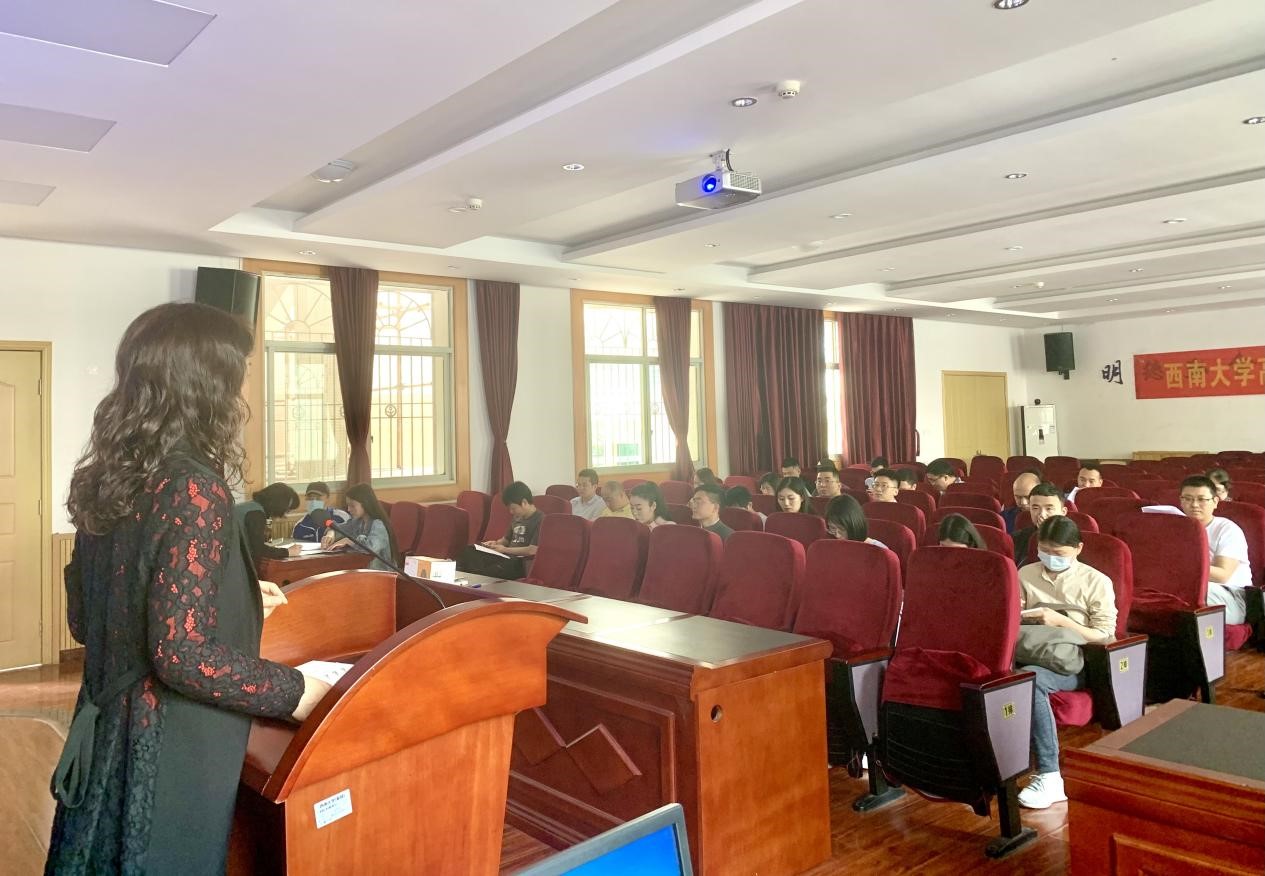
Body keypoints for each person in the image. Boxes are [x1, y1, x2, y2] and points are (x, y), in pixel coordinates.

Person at [48, 302, 329, 874]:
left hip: (109, 725)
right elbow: (181, 654)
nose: (242, 391)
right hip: (167, 741)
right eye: (238, 374)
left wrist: (234, 593)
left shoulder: (107, 477)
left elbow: (91, 617)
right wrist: (301, 692)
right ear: (206, 384)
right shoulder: (193, 489)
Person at [1016, 516, 1117, 810]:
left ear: (1078, 549)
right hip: (1030, 650)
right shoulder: (1026, 574)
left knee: (1030, 679)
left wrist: (1061, 621)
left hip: (1075, 663)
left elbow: (1105, 634)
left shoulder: (1096, 581)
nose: (1050, 558)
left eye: (1058, 553)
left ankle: (1050, 775)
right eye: (1044, 551)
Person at [1179, 475, 1252, 624]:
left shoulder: (1227, 529)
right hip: (1193, 588)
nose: (1194, 505)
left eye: (1201, 499)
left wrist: (1178, 569)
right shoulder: (1177, 528)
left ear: (1215, 502)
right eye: (1188, 499)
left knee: (1187, 591)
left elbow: (1222, 575)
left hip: (1231, 595)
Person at [457, 481, 543, 579]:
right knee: (469, 550)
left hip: (520, 562)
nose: (511, 512)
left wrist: (505, 549)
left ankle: (474, 581)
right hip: (505, 556)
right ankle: (463, 582)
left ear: (524, 502)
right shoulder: (517, 517)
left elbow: (532, 550)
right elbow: (506, 540)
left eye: (513, 508)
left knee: (490, 570)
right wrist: (495, 543)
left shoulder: (541, 520)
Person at [321, 483, 397, 571]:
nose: (349, 509)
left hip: (381, 574)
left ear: (365, 504)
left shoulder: (378, 524)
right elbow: (339, 528)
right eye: (348, 505)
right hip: (363, 571)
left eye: (352, 505)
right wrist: (331, 533)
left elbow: (371, 548)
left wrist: (349, 540)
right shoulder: (358, 522)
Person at [234, 482, 302, 572]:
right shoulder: (256, 514)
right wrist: (288, 552)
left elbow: (259, 543)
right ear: (279, 504)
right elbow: (259, 550)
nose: (286, 515)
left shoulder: (251, 507)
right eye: (287, 510)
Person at [1012, 483, 1067, 565]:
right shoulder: (1017, 538)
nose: (1042, 514)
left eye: (1049, 509)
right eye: (1035, 508)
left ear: (1063, 512)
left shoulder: (1073, 539)